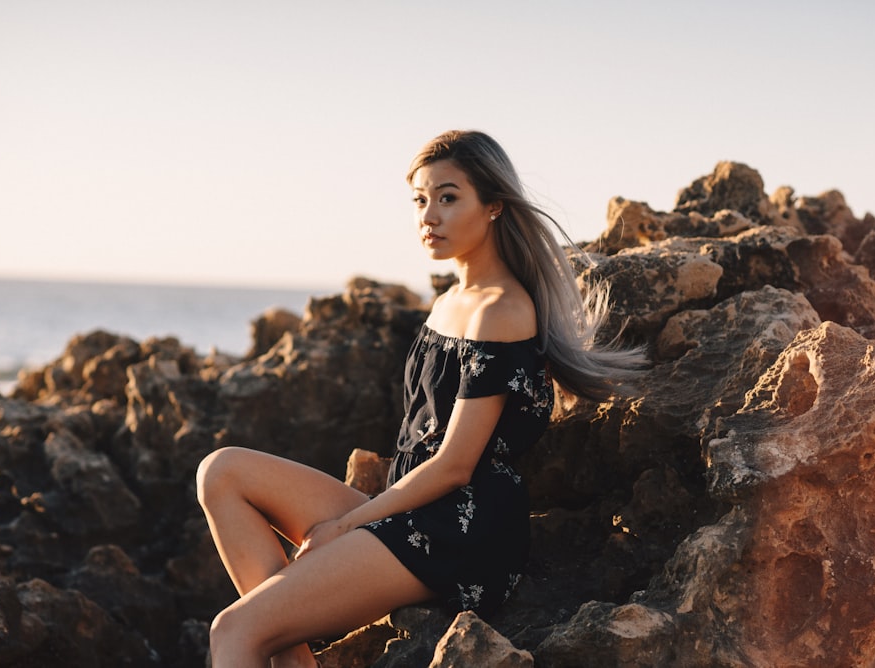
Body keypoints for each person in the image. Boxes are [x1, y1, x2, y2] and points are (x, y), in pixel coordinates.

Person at [196, 129, 648, 667]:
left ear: (494, 206)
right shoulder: (452, 300)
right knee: (221, 471)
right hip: (412, 512)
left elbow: (455, 466)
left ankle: (270, 634)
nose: (428, 216)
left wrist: (344, 526)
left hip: (463, 533)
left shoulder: (500, 310)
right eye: (420, 199)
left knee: (234, 630)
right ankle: (289, 647)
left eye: (449, 197)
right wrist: (357, 525)